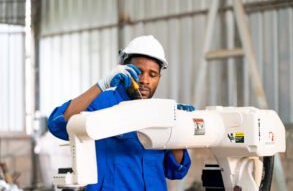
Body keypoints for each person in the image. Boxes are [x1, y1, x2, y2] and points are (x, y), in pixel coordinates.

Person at [48, 35, 195, 190]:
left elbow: (176, 171)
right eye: (138, 72)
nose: (145, 80)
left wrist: (179, 128)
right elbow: (57, 124)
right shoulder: (101, 104)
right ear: (124, 69)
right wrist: (101, 85)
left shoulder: (161, 112)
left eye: (152, 75)